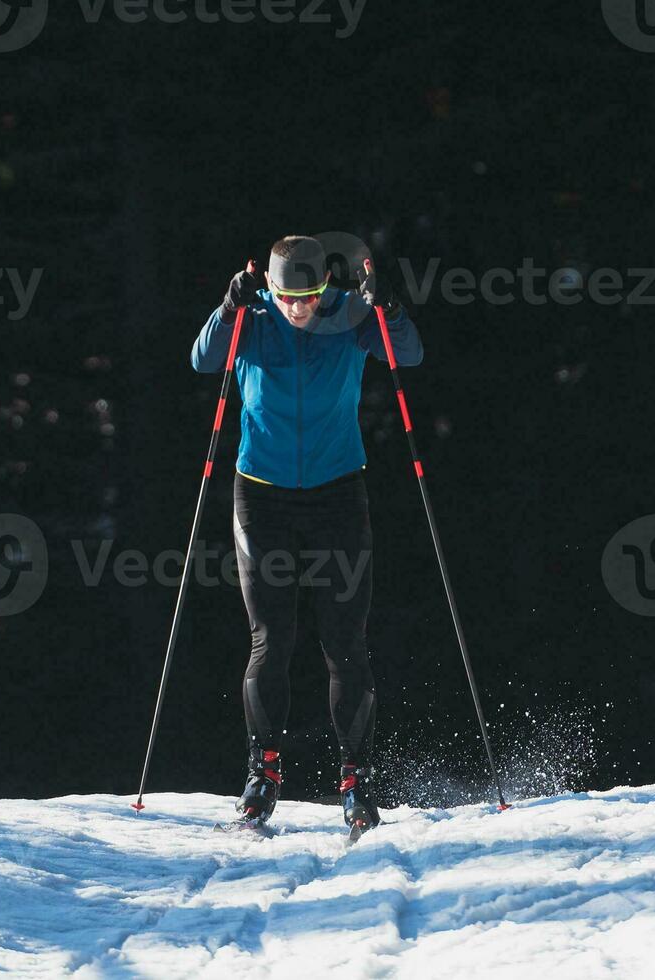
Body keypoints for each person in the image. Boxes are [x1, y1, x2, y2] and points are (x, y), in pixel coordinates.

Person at [189, 235, 422, 833]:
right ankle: (262, 772)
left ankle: (355, 780)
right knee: (272, 636)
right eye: (288, 296)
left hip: (338, 493)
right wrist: (226, 307)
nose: (299, 308)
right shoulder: (252, 314)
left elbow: (409, 354)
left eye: (310, 295)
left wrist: (389, 308)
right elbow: (203, 359)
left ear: (326, 285)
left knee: (345, 639)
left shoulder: (347, 315)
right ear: (270, 286)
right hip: (260, 495)